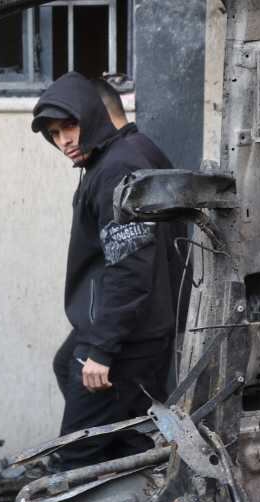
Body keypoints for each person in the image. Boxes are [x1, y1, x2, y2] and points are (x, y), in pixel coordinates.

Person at [32, 72, 186, 468]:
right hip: (132, 322)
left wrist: (102, 350)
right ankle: (128, 472)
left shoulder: (117, 167)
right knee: (70, 370)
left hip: (129, 334)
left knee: (74, 457)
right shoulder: (120, 156)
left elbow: (131, 266)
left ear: (92, 115)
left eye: (69, 126)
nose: (63, 141)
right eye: (54, 133)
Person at [94, 78, 193, 336]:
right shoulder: (141, 148)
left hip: (143, 318)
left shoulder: (123, 162)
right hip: (158, 310)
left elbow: (131, 261)